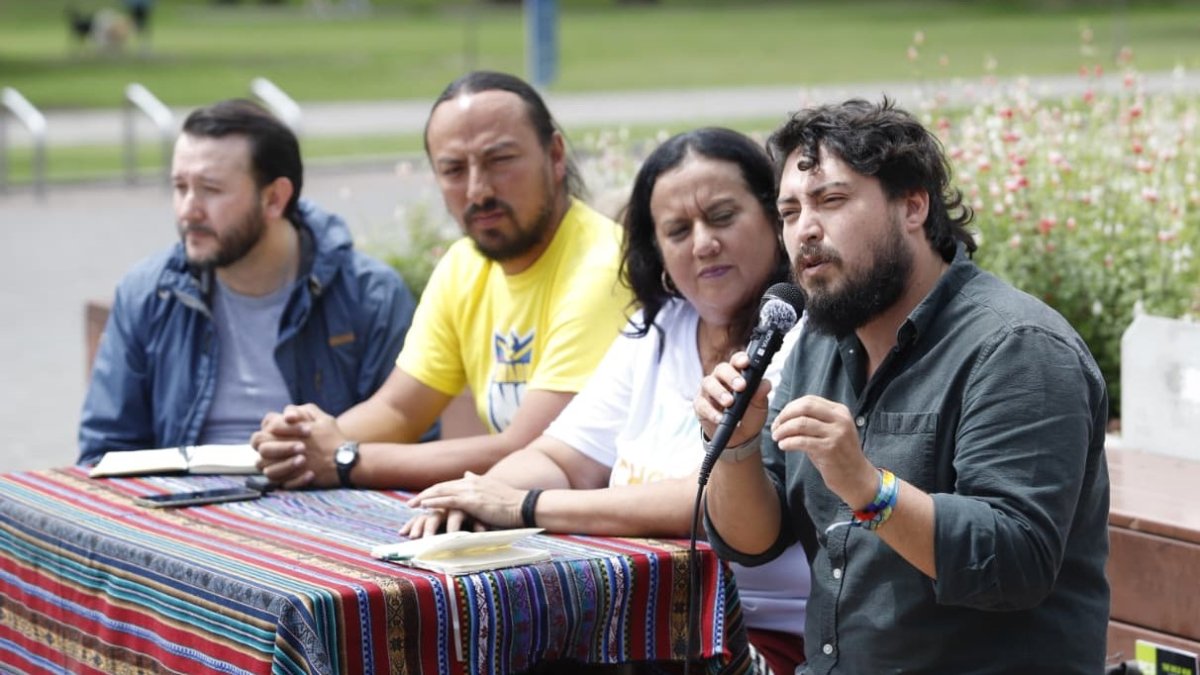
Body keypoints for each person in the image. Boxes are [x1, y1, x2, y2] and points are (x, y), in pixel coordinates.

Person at [696, 99, 1110, 674]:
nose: (805, 229)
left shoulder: (1018, 347)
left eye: (832, 201)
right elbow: (753, 541)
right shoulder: (818, 341)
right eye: (790, 211)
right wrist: (736, 447)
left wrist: (868, 487)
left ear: (913, 206)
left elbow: (1014, 565)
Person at [402, 128, 809, 675]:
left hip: (762, 635)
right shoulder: (658, 327)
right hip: (639, 623)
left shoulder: (800, 335)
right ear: (657, 252)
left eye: (722, 217)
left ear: (774, 219)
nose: (703, 243)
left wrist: (525, 507)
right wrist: (475, 498)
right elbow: (561, 457)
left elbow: (707, 499)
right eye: (678, 230)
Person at [252, 71, 630, 491]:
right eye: (453, 169)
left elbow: (532, 450)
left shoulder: (603, 266)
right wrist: (304, 443)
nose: (478, 190)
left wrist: (345, 458)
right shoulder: (465, 264)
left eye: (500, 161)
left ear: (555, 155)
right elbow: (398, 411)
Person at [79, 99, 417, 464]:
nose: (188, 209)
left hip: (321, 493)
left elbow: (404, 447)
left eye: (211, 189)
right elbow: (105, 451)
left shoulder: (371, 297)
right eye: (180, 186)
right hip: (176, 497)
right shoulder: (148, 294)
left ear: (274, 199)